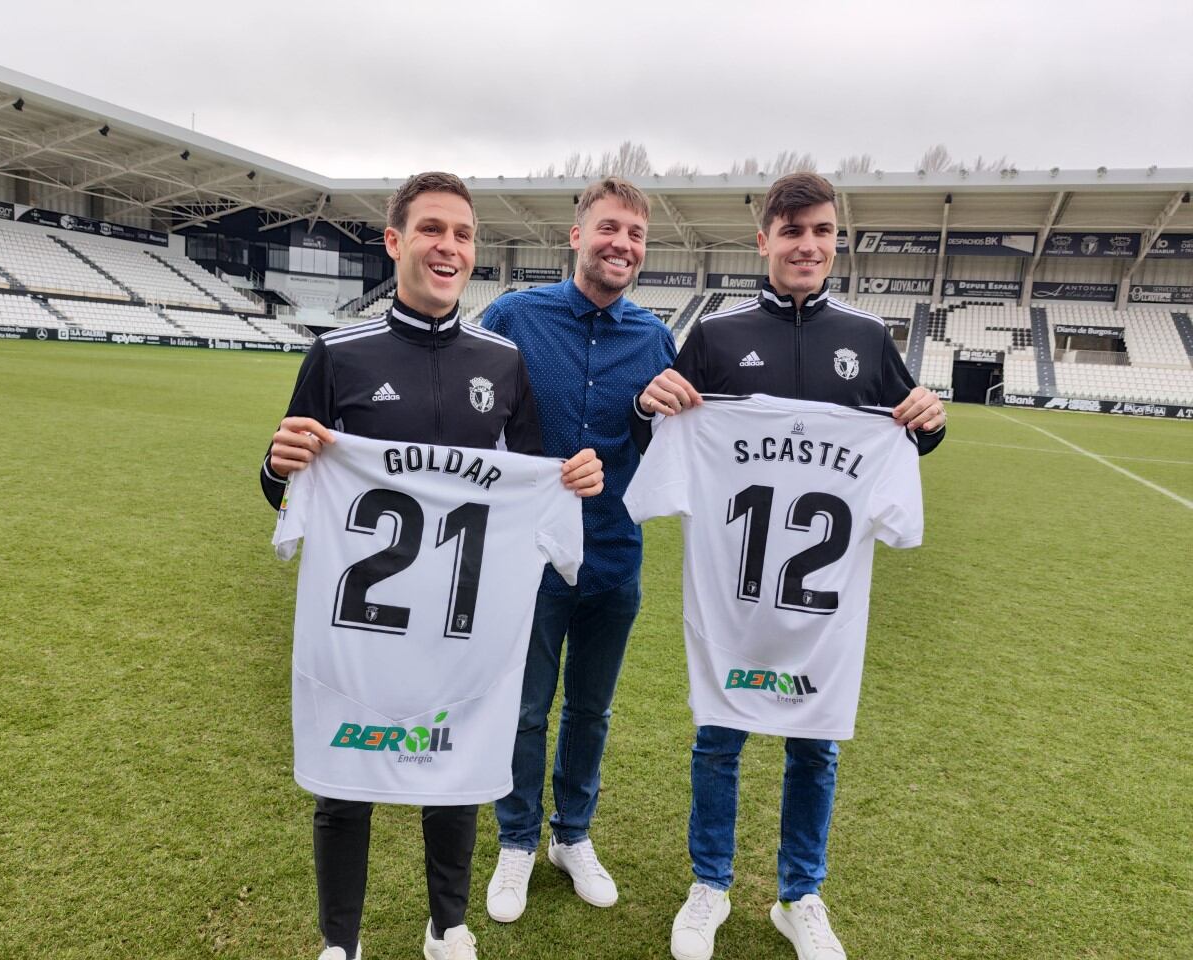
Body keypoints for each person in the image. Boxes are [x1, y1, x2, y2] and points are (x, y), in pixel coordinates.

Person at [259, 171, 604, 960]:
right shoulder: (337, 355)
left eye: (463, 234)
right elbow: (286, 489)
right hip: (361, 622)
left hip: (461, 619)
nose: (449, 247)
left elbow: (539, 478)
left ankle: (447, 923)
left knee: (456, 765)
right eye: (432, 230)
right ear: (396, 241)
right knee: (346, 776)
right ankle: (338, 941)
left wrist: (574, 478)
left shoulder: (503, 363)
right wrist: (278, 470)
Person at [631, 172, 946, 960]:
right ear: (763, 238)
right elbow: (664, 445)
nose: (809, 245)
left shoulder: (870, 339)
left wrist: (929, 419)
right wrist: (650, 405)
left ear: (836, 240)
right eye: (794, 230)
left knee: (816, 743)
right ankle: (710, 885)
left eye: (824, 231)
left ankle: (800, 895)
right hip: (733, 589)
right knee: (719, 734)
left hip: (823, 602)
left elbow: (908, 438)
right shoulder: (717, 336)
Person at [480, 177, 677, 923]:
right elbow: (475, 417)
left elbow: (667, 448)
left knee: (591, 712)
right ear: (576, 235)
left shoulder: (656, 339)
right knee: (527, 709)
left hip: (615, 557)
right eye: (609, 229)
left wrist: (640, 416)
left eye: (635, 235)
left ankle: (573, 836)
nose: (622, 244)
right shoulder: (513, 317)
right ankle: (516, 840)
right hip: (527, 558)